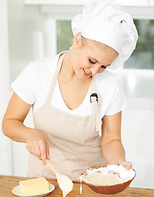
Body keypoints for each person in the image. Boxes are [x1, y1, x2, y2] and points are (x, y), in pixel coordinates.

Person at [2, 0, 138, 181]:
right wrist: (30, 134)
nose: (95, 71)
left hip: (91, 181)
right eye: (92, 61)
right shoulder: (37, 73)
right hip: (44, 180)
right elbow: (9, 123)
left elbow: (111, 139)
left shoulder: (110, 85)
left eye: (104, 66)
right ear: (78, 40)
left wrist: (119, 163)